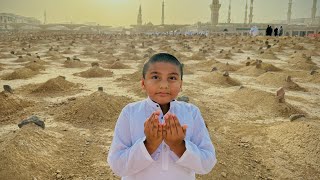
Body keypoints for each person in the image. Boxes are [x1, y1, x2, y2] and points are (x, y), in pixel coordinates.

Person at [107, 53, 217, 180]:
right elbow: (117, 165)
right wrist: (149, 145)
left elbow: (207, 163)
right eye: (155, 77)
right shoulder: (130, 112)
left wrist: (179, 146)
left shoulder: (192, 113)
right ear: (143, 83)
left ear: (181, 84)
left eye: (172, 78)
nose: (164, 85)